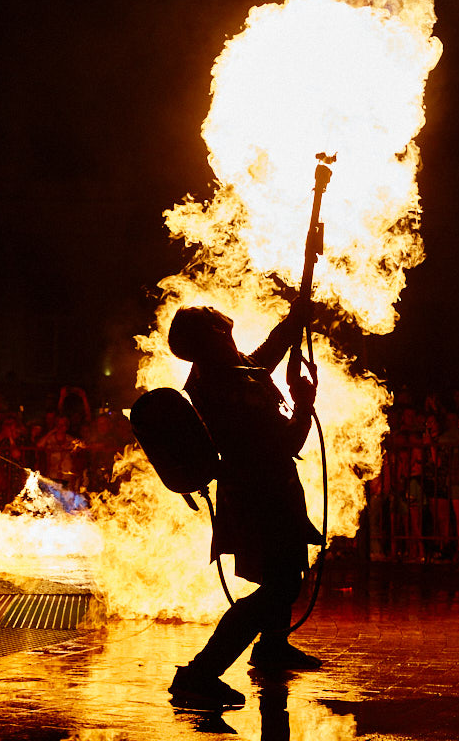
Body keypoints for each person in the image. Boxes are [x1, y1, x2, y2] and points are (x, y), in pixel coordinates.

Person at [165, 300, 322, 710]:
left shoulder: (223, 372)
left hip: (258, 492)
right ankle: (201, 672)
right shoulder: (228, 386)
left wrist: (294, 320)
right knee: (280, 586)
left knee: (282, 573)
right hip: (260, 494)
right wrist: (304, 404)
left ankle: (271, 646)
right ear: (215, 336)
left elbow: (263, 357)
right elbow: (286, 443)